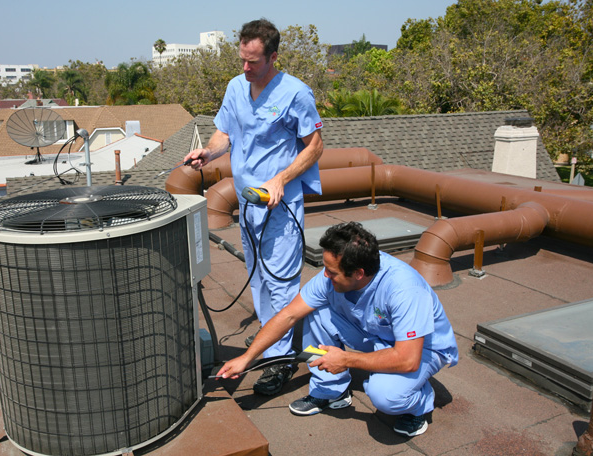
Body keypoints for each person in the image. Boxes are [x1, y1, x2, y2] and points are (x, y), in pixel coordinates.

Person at [185, 18, 324, 396]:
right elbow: (226, 133)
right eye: (242, 60)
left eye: (253, 62)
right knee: (259, 278)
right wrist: (208, 152)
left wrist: (280, 178)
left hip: (280, 206)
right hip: (248, 204)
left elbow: (315, 146)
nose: (245, 68)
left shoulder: (295, 94)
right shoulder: (236, 86)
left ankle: (279, 359)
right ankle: (270, 340)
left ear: (273, 57)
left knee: (280, 282)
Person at [216, 222, 459, 437]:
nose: (324, 275)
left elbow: (408, 359)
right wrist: (247, 358)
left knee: (385, 395)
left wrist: (345, 359)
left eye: (331, 272)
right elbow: (289, 315)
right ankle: (330, 389)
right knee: (315, 311)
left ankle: (421, 403)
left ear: (358, 273)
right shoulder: (335, 275)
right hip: (375, 335)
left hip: (422, 349)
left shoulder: (405, 289)